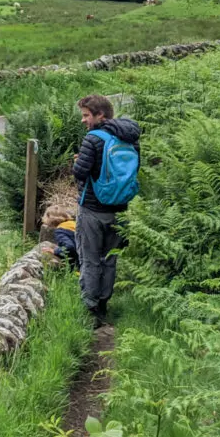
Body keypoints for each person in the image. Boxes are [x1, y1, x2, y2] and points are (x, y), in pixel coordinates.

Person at [72, 95, 141, 326]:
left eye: (86, 115)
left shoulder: (93, 138)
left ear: (100, 115)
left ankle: (90, 310)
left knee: (90, 259)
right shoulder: (130, 138)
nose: (84, 120)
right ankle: (104, 303)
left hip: (92, 208)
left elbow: (80, 173)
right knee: (110, 259)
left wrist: (78, 161)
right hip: (120, 209)